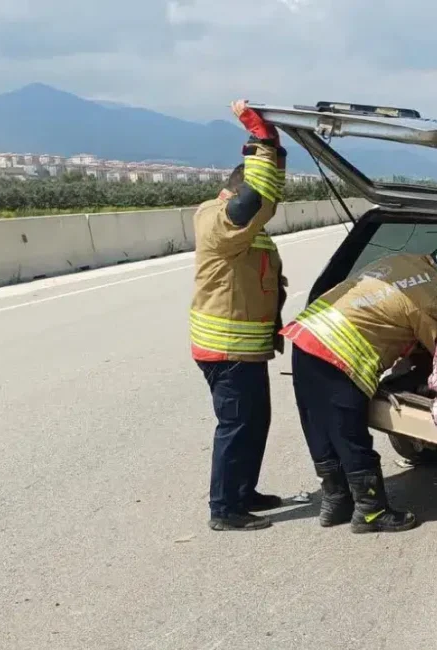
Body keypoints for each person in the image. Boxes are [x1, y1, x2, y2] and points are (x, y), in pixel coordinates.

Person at [281, 241, 437, 533]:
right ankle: (371, 511)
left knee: (320, 426)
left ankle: (336, 502)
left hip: (307, 336)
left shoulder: (405, 259)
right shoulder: (435, 295)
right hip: (338, 354)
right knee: (349, 433)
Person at [191, 99, 288, 531]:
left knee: (254, 422)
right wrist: (262, 141)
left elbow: (263, 203)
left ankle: (244, 491)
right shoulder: (218, 220)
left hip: (245, 351)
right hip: (225, 350)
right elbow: (256, 200)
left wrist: (274, 150)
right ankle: (224, 508)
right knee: (236, 425)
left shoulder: (248, 231)